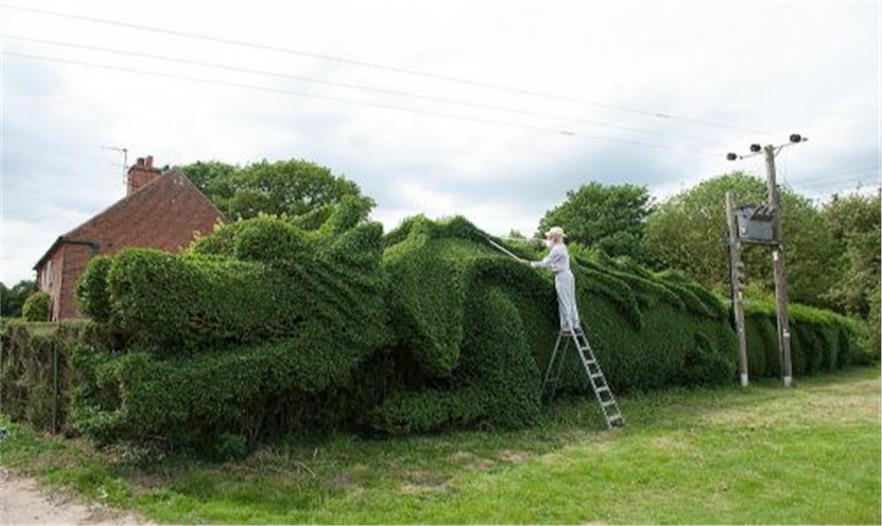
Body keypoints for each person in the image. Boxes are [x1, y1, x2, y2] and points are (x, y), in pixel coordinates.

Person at [528, 226, 581, 334]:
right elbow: (549, 245)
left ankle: (567, 327)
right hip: (567, 275)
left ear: (555, 238)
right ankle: (575, 324)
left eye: (550, 237)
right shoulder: (561, 247)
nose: (549, 238)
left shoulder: (557, 250)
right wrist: (540, 242)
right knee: (571, 301)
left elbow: (545, 263)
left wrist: (530, 264)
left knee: (564, 301)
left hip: (562, 277)